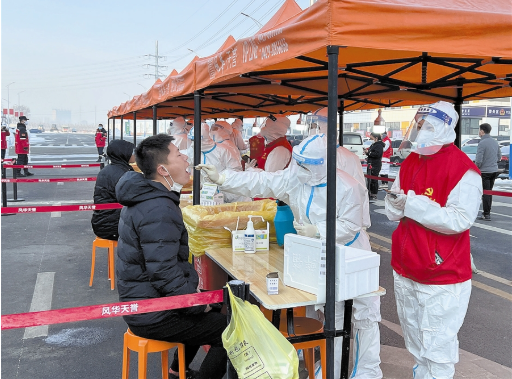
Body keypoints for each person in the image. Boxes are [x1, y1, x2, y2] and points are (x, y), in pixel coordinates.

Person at [197, 134, 382, 379]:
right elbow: (263, 181)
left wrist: (319, 230)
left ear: (322, 164)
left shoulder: (347, 186)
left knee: (363, 314)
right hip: (316, 252)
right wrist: (223, 178)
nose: (299, 169)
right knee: (333, 314)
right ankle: (332, 368)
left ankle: (368, 371)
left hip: (350, 253)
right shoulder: (297, 178)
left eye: (305, 165)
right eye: (298, 162)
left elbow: (351, 224)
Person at [115, 134, 227, 379]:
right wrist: (196, 303)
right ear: (163, 169)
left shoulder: (148, 198)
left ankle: (177, 370)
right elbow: (163, 273)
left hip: (145, 302)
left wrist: (199, 301)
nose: (186, 158)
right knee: (233, 331)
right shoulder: (158, 208)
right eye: (179, 154)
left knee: (215, 309)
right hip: (153, 313)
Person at [385, 101, 482, 379]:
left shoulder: (463, 170)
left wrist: (412, 204)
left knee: (437, 348)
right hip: (406, 267)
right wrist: (398, 204)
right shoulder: (413, 159)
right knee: (415, 340)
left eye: (426, 126)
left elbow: (459, 220)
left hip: (442, 275)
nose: (419, 131)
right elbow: (394, 203)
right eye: (418, 125)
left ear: (443, 128)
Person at [187, 123, 246, 203]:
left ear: (206, 138)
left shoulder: (224, 150)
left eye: (196, 140)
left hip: (231, 197)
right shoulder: (193, 151)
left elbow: (236, 173)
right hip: (208, 196)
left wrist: (219, 181)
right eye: (192, 140)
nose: (193, 143)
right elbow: (186, 163)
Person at [91, 139, 135, 241]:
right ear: (123, 153)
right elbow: (134, 198)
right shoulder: (123, 174)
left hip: (101, 223)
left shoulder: (108, 170)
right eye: (132, 152)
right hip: (112, 227)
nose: (134, 154)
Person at [475, 123, 501, 221]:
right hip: (494, 170)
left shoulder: (482, 143)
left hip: (484, 172)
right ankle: (487, 212)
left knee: (485, 193)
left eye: (479, 130)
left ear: (482, 131)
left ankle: (486, 214)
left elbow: (479, 160)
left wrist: (476, 167)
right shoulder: (495, 142)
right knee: (489, 192)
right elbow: (499, 157)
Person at [365, 133, 384, 200]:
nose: (370, 140)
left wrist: (369, 153)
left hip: (375, 164)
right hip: (371, 163)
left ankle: (373, 194)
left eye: (371, 138)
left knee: (373, 179)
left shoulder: (379, 145)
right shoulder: (374, 145)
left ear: (376, 138)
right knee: (370, 179)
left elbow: (377, 154)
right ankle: (370, 192)